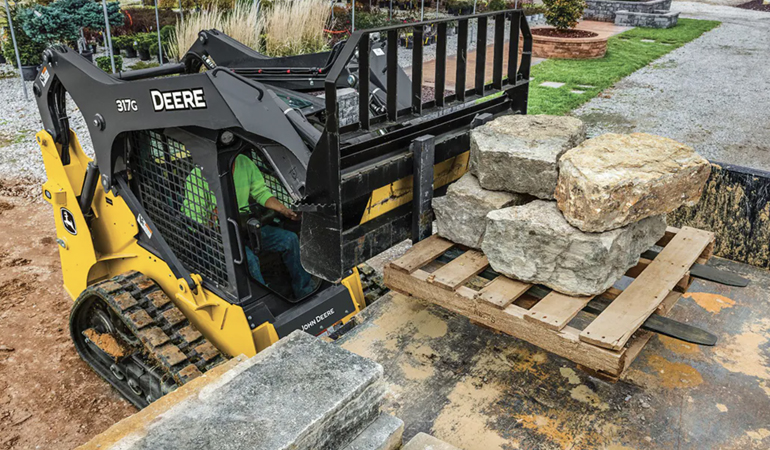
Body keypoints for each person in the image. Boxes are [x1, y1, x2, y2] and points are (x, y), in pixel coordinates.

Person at [182, 153, 315, 299]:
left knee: (289, 239)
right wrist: (212, 221)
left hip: (245, 227)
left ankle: (305, 290)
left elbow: (260, 192)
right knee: (249, 260)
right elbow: (192, 220)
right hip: (218, 239)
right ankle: (266, 301)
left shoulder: (242, 162)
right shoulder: (198, 176)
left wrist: (283, 210)